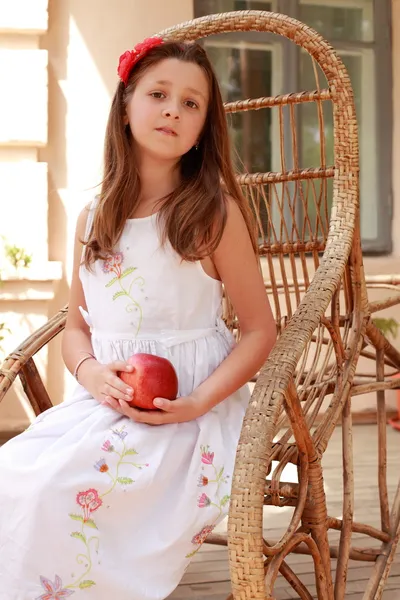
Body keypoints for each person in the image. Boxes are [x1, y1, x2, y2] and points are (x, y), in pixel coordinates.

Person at [0, 37, 276, 600]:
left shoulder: (212, 214)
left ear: (204, 128)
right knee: (14, 475)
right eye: (158, 93)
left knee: (60, 488)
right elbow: (74, 325)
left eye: (191, 103)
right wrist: (91, 373)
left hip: (191, 409)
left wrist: (199, 402)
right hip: (103, 401)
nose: (173, 108)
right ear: (126, 107)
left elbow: (259, 330)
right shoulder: (93, 214)